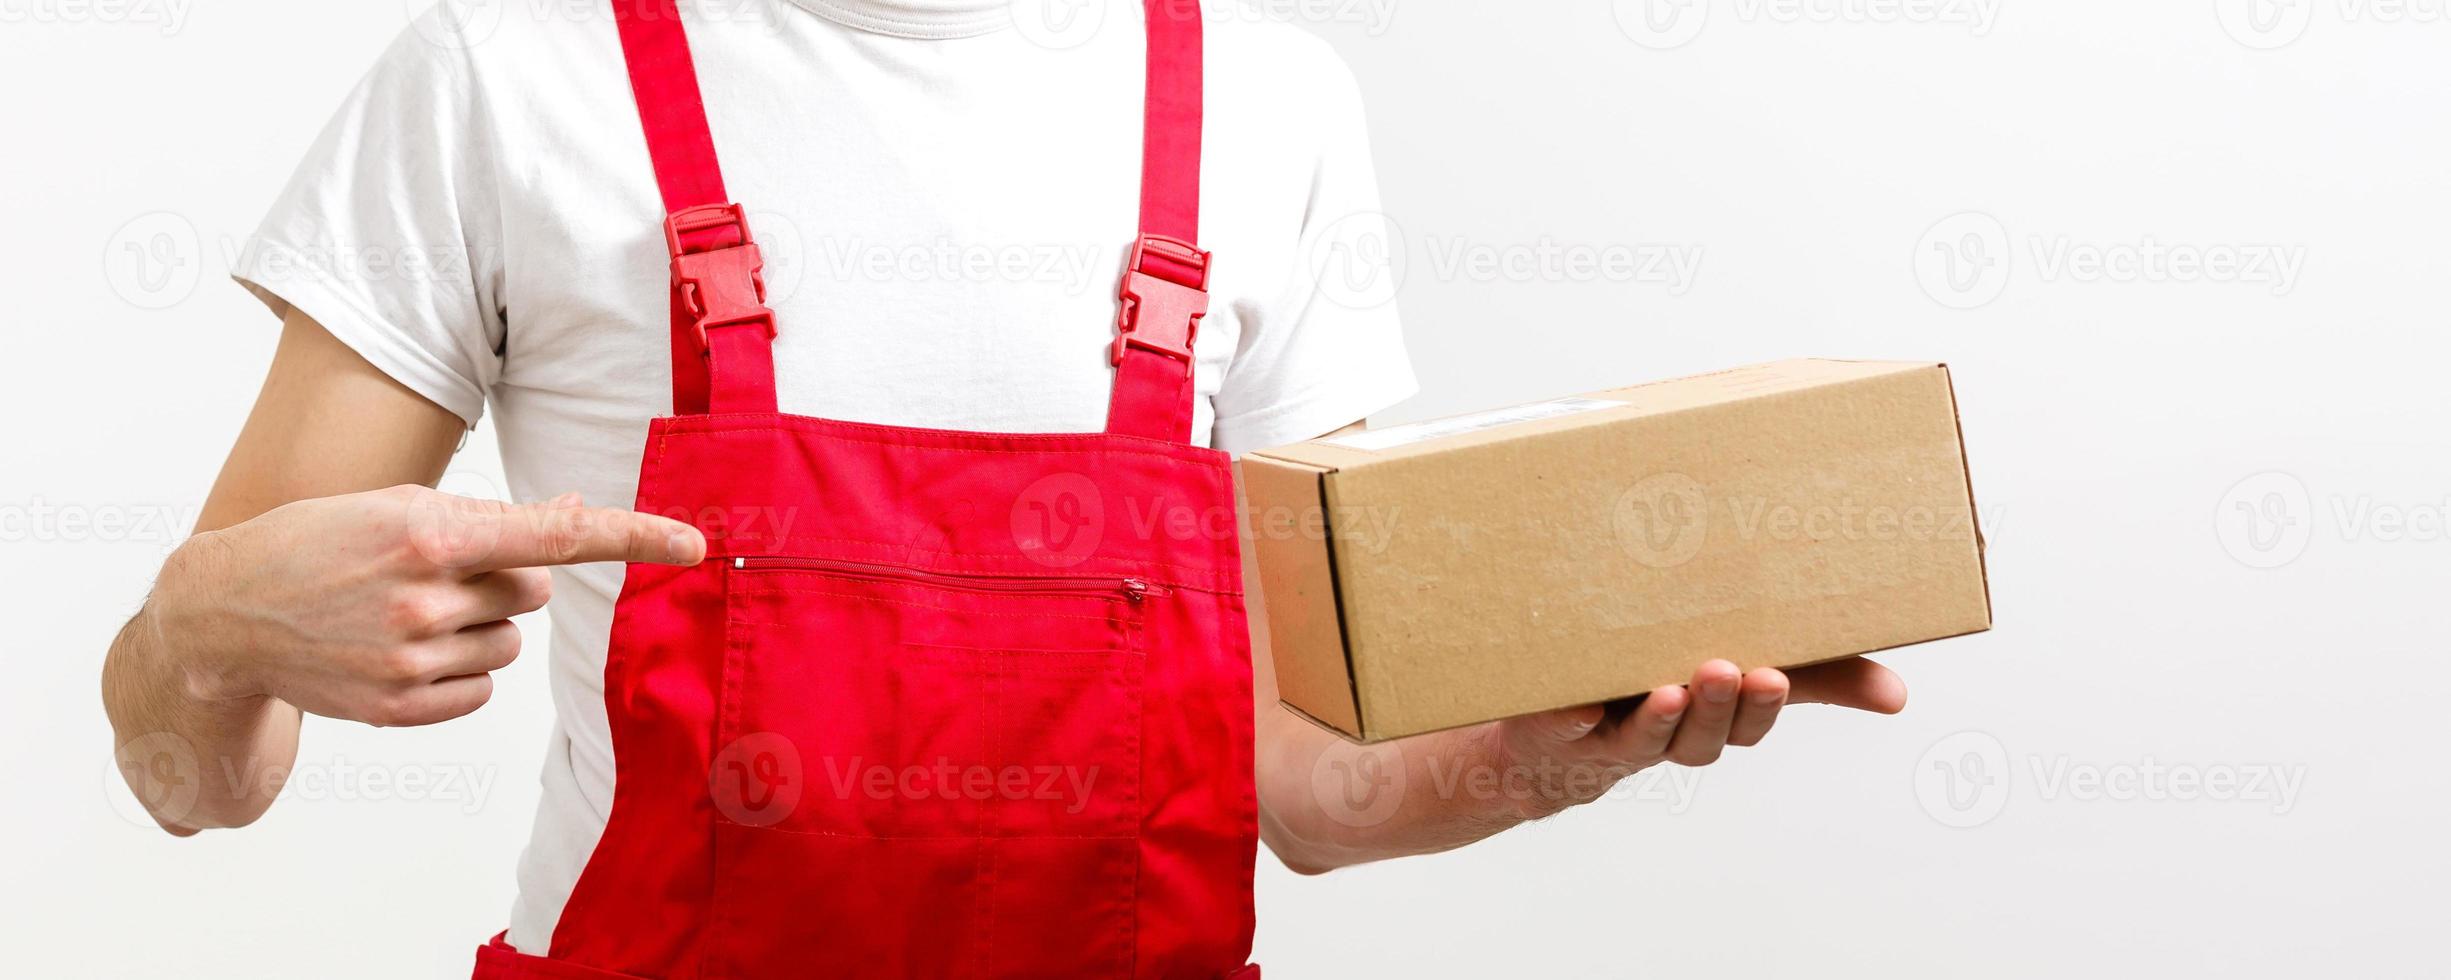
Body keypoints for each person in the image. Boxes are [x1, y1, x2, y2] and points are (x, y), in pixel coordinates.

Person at [101, 0, 1908, 975]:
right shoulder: (503, 82)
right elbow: (196, 784)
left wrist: (1547, 756)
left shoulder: (1264, 105)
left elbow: (1308, 788)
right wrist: (201, 631)